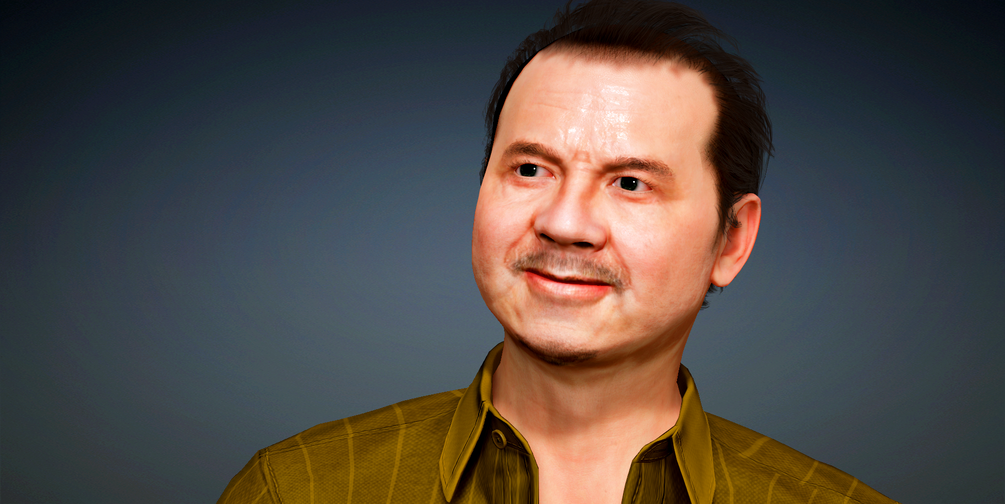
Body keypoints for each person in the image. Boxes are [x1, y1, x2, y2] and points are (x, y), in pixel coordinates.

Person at [219, 1, 898, 502]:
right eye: (530, 169)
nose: (564, 223)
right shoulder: (297, 489)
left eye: (630, 183)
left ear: (732, 240)